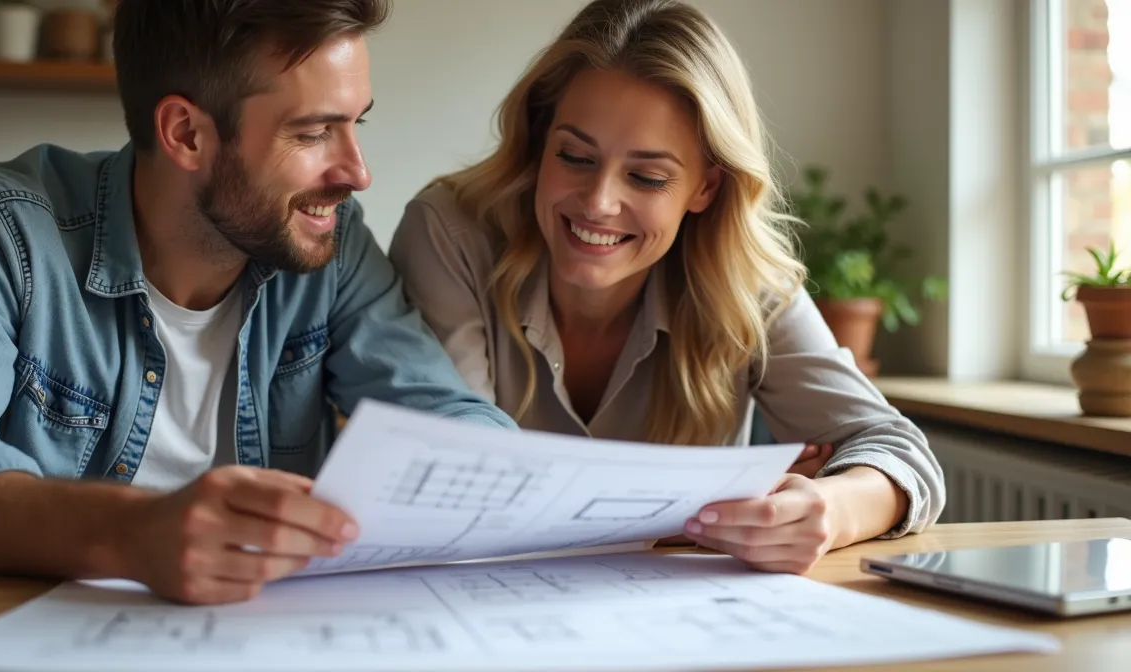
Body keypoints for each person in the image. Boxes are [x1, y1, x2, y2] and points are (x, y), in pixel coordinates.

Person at [0, 0, 517, 606]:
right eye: (311, 133)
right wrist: (127, 531)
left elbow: (444, 421)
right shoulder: (0, 230)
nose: (356, 171)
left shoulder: (330, 243)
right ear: (186, 133)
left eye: (356, 122)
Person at [388, 0, 945, 574]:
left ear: (706, 187)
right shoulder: (451, 233)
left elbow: (900, 454)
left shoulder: (744, 280)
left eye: (647, 176)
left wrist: (829, 506)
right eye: (574, 156)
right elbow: (457, 472)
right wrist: (694, 500)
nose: (599, 202)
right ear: (538, 140)